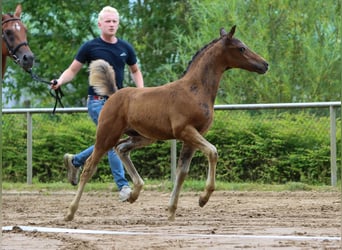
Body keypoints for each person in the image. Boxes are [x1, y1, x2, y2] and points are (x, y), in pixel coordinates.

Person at [51, 6, 144, 202]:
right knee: (111, 142)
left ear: (118, 24)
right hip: (97, 103)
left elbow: (135, 71)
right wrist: (59, 81)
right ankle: (123, 186)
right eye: (108, 21)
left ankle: (75, 161)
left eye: (114, 21)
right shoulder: (90, 47)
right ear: (100, 24)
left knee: (108, 141)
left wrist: (141, 92)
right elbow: (72, 70)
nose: (111, 24)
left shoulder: (125, 48)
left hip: (119, 104)